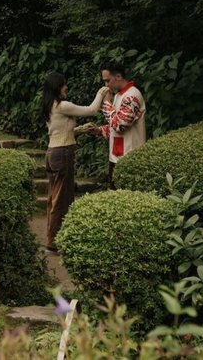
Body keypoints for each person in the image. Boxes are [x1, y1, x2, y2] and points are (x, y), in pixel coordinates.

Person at [41, 72, 109, 252]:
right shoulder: (62, 105)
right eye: (64, 85)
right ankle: (54, 242)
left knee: (54, 198)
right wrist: (102, 92)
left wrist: (79, 130)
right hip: (62, 153)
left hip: (53, 152)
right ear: (57, 87)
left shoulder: (50, 105)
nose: (66, 88)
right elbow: (91, 110)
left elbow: (59, 131)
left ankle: (53, 239)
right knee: (61, 200)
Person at [89, 61, 146, 189]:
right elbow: (115, 124)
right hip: (117, 156)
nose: (106, 85)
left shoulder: (132, 96)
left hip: (129, 157)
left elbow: (120, 125)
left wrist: (105, 103)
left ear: (118, 77)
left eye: (108, 81)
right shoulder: (119, 95)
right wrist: (99, 130)